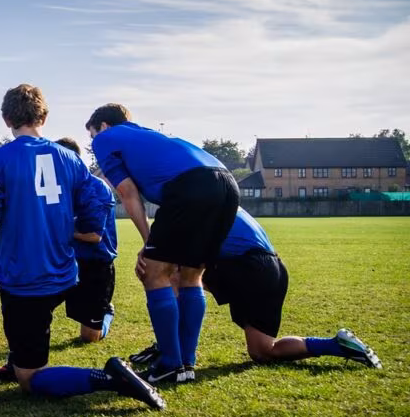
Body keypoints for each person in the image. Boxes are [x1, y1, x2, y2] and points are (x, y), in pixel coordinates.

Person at [0, 85, 164, 411]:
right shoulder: (70, 159)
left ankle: (110, 378)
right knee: (5, 281)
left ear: (6, 119)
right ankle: (19, 352)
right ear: (44, 117)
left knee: (30, 378)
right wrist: (83, 227)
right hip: (65, 273)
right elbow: (100, 197)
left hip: (26, 280)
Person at [86, 103, 239, 384]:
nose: (94, 143)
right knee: (191, 276)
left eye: (93, 135)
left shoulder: (107, 138)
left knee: (154, 273)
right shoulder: (145, 136)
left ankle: (170, 362)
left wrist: (149, 241)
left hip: (191, 185)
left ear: (103, 126)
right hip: (227, 183)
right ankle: (185, 364)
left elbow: (128, 193)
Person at [129, 208, 382, 370]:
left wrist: (149, 256)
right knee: (263, 352)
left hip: (246, 265)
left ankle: (169, 350)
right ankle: (335, 345)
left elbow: (177, 258)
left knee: (172, 275)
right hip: (273, 268)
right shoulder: (219, 196)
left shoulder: (193, 203)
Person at [56, 137, 116, 343]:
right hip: (66, 259)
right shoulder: (58, 187)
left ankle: (106, 314)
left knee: (89, 338)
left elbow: (93, 236)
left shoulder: (95, 188)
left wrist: (58, 230)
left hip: (95, 263)